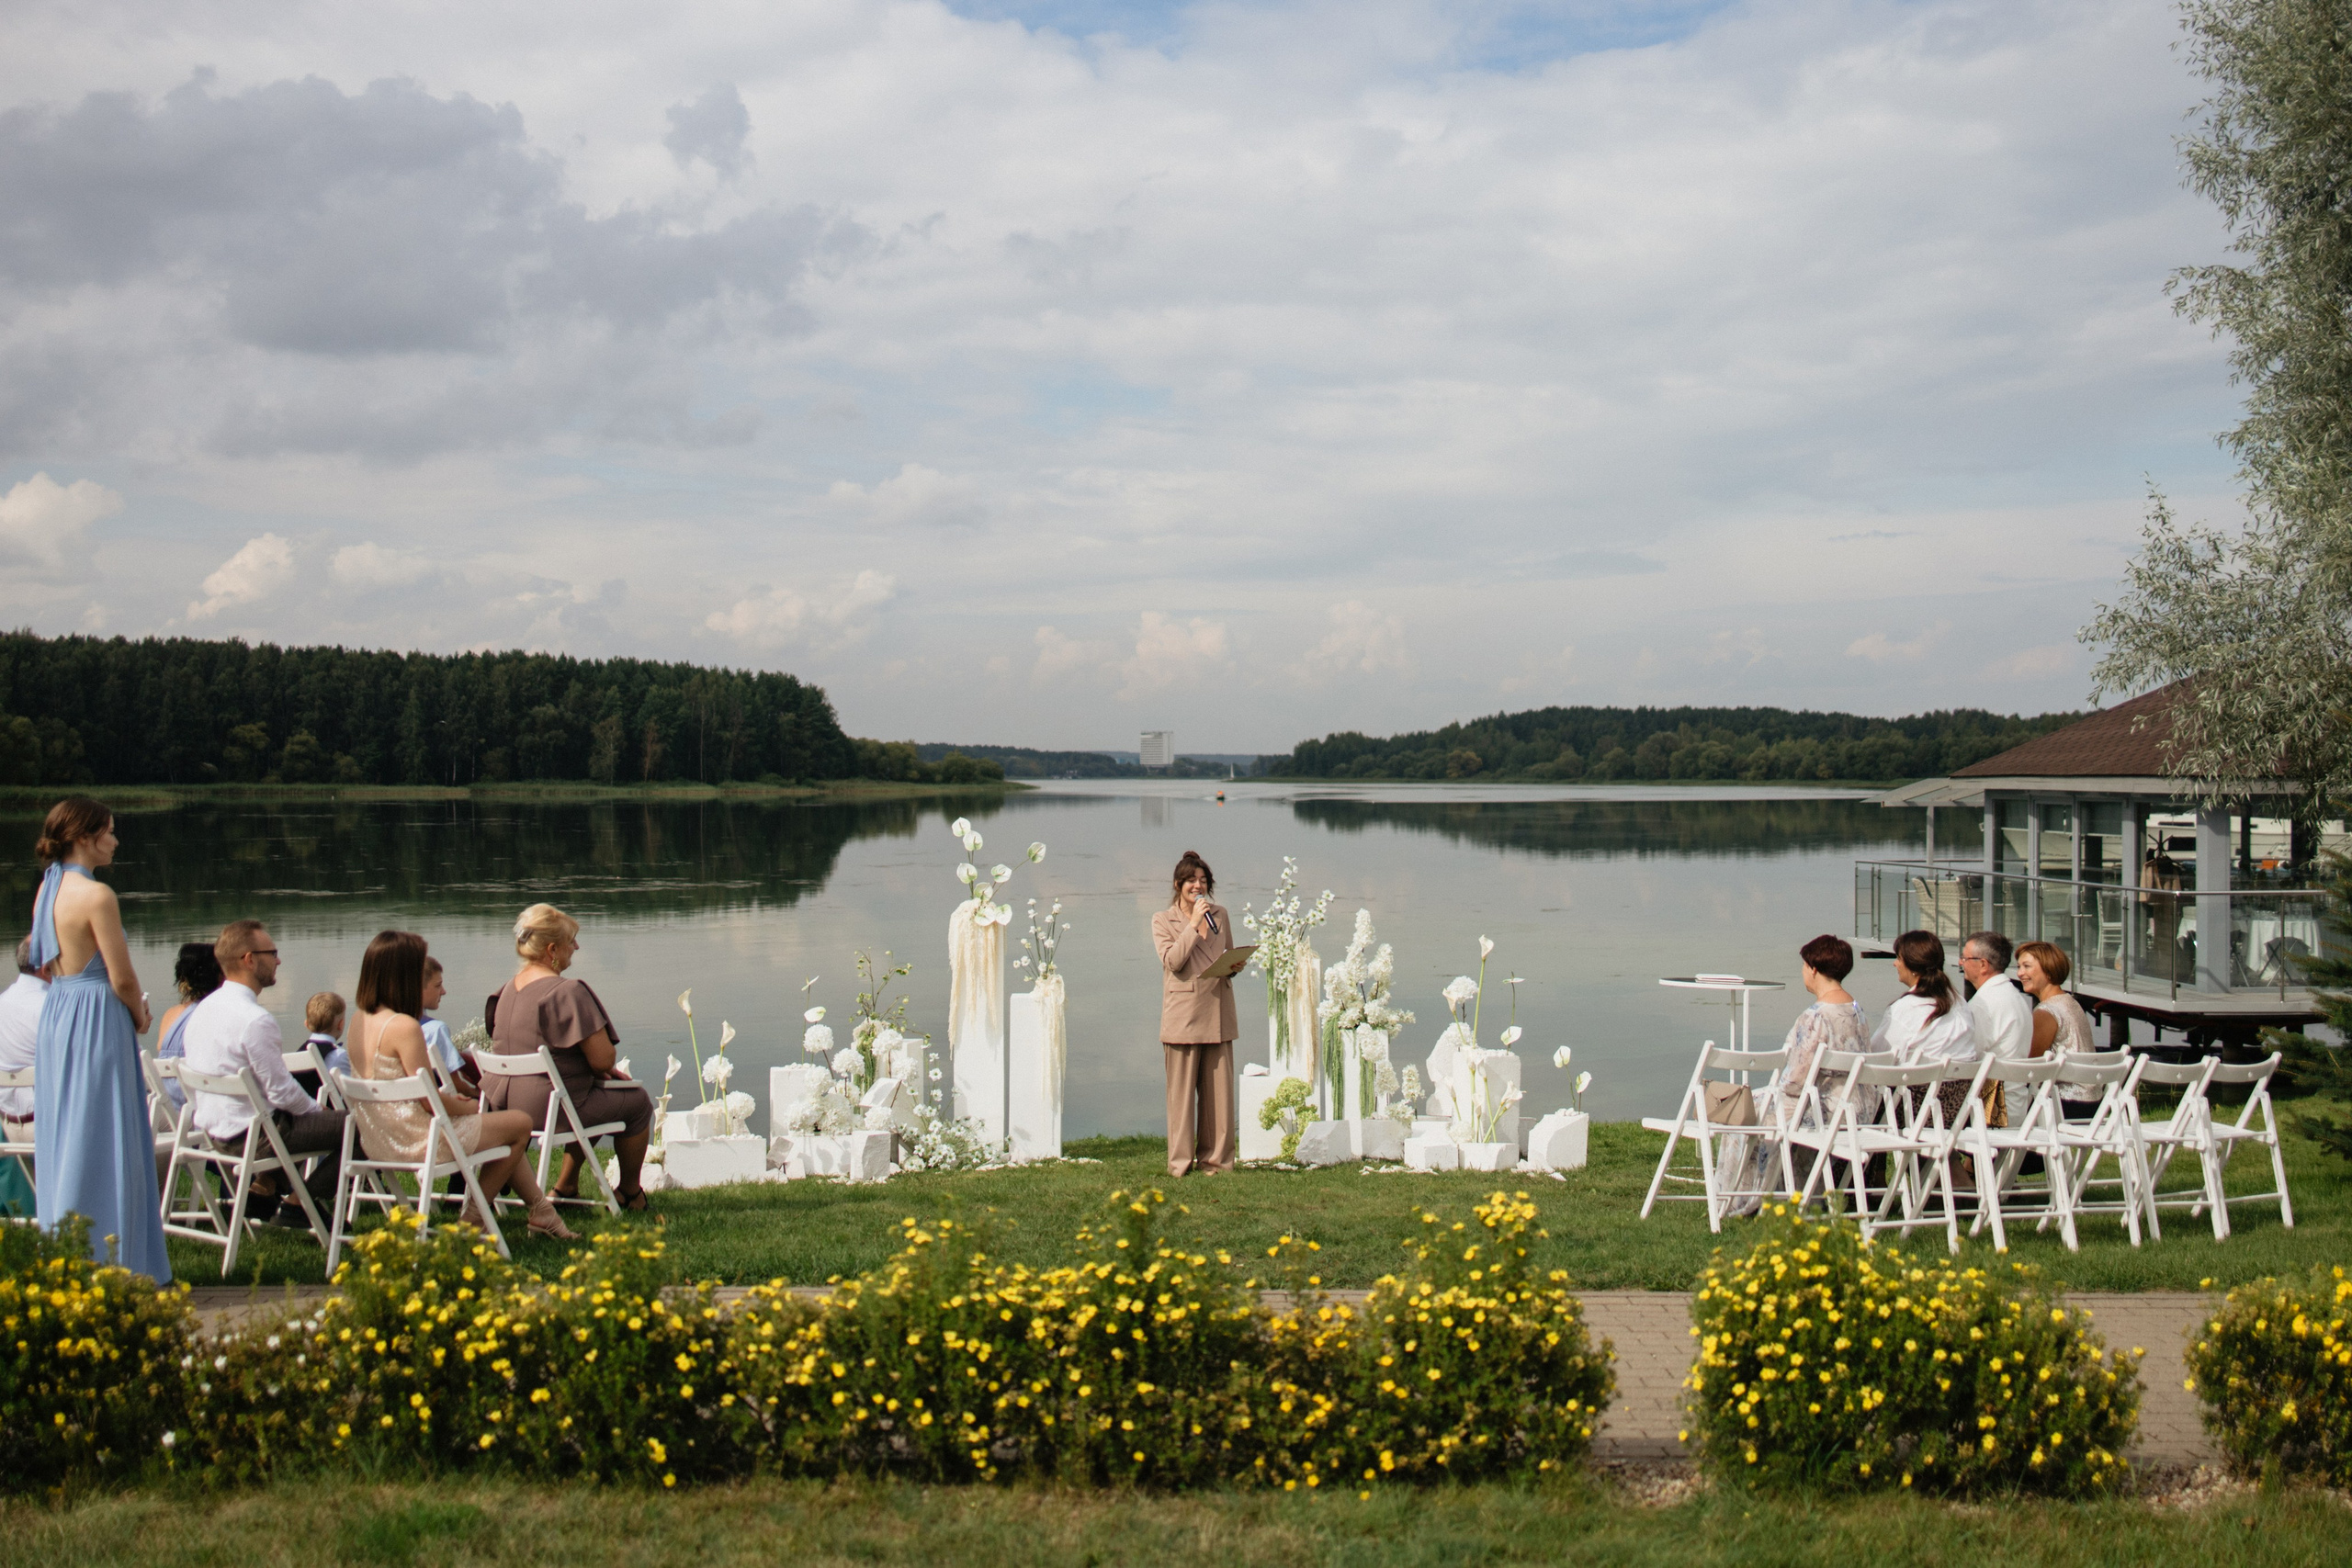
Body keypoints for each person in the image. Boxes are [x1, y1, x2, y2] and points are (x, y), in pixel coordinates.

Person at [346, 930, 575, 1241]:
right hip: (417, 1140)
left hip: (377, 1138)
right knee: (520, 1123)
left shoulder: (359, 1020)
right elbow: (430, 1101)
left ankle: (542, 1212)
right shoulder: (404, 1027)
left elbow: (407, 1090)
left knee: (503, 1132)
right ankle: (474, 1217)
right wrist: (463, 1105)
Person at [28, 796, 168, 1280]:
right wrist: (140, 1015)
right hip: (96, 1015)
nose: (115, 839)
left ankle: (66, 1250)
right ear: (86, 837)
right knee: (107, 1133)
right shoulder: (97, 895)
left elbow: (45, 964)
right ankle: (114, 1259)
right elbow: (122, 977)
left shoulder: (47, 890)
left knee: (69, 1131)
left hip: (60, 1012)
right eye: (109, 831)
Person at [482, 904, 653, 1209]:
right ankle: (630, 1192)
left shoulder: (505, 991)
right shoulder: (567, 992)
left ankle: (566, 1187)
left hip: (503, 1106)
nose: (576, 947)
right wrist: (598, 1069)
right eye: (571, 941)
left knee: (585, 1092)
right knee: (636, 1102)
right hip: (547, 1110)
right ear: (552, 949)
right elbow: (603, 1060)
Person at [181, 919, 346, 1229]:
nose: (279, 960)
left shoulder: (204, 1009)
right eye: (272, 952)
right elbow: (281, 1092)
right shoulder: (255, 1020)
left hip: (215, 1133)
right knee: (362, 1124)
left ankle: (267, 1186)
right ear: (249, 959)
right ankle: (300, 1204)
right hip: (255, 1138)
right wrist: (317, 1110)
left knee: (291, 1115)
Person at [1150, 850, 1238, 1178]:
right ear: (1178, 884)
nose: (1197, 886)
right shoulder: (1162, 920)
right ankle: (1180, 1164)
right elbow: (1173, 961)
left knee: (1218, 1098)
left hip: (1217, 1010)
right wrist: (1193, 923)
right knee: (1182, 1098)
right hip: (1183, 1016)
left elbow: (1224, 955)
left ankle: (1216, 1162)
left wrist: (1233, 966)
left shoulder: (1222, 914)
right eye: (1191, 881)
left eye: (1203, 881)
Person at [1868, 929, 1981, 1131]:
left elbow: (1877, 1058)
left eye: (1898, 958)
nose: (1895, 963)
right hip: (1954, 1114)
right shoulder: (1960, 1003)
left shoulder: (1905, 1008)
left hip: (1915, 1112)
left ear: (1912, 966)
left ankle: (1862, 1161)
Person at [1961, 930, 2034, 1127]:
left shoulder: (1985, 1003)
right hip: (2017, 1102)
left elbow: (1967, 1056)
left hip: (1993, 1109)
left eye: (1965, 958)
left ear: (1983, 964)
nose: (1961, 963)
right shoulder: (2014, 997)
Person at [0, 935, 50, 1215]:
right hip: (45, 1127)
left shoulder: (3, 1002)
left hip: (7, 1127)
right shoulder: (52, 1007)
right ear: (47, 967)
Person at [154, 942, 227, 1110]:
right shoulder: (217, 1014)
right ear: (221, 976)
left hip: (169, 1107)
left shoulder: (171, 1015)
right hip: (197, 1108)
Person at [294, 991, 348, 1097]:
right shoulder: (340, 1056)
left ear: (306, 1024)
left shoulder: (297, 1055)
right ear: (341, 1025)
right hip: (328, 1111)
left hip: (298, 1110)